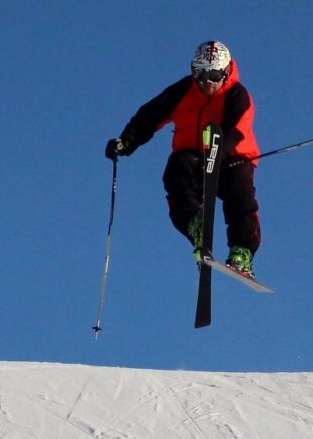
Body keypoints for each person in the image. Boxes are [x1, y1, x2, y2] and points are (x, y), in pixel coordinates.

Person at [105, 40, 261, 278]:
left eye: (215, 74)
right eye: (201, 74)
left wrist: (218, 151)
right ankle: (195, 224)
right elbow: (150, 115)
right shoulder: (183, 91)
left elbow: (236, 129)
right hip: (195, 158)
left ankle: (241, 251)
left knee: (239, 190)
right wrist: (126, 141)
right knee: (177, 169)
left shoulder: (237, 95)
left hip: (231, 158)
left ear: (226, 71)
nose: (208, 82)